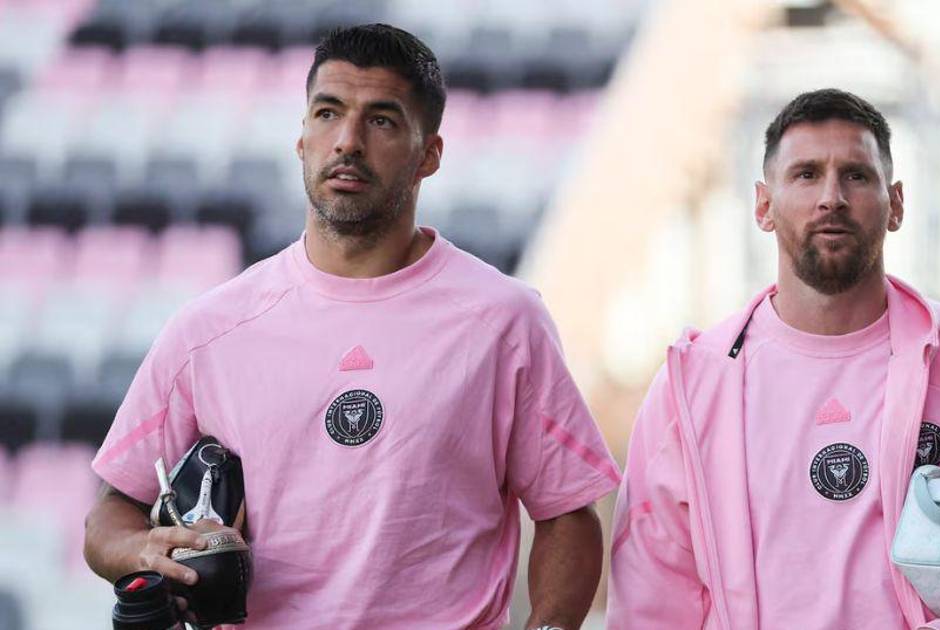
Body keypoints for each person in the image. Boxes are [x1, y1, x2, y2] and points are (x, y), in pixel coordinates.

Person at [84, 24, 619, 630]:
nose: (348, 141)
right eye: (328, 113)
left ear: (429, 154)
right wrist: (146, 551)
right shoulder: (208, 330)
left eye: (381, 120)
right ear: (301, 139)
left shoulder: (504, 320)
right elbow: (111, 513)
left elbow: (568, 514)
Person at [607, 88, 940, 629]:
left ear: (896, 204)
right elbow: (649, 597)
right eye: (806, 175)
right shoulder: (693, 388)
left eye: (855, 175)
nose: (832, 197)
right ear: (763, 205)